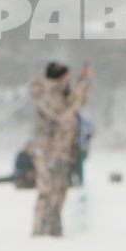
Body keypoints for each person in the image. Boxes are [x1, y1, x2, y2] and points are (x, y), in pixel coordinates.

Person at [29, 61, 91, 236]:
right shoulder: (46, 93)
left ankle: (54, 227)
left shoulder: (60, 92)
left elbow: (76, 102)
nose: (68, 81)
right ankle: (41, 229)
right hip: (48, 151)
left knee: (60, 189)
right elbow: (63, 111)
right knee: (47, 190)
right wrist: (80, 87)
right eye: (66, 77)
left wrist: (83, 82)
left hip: (62, 150)